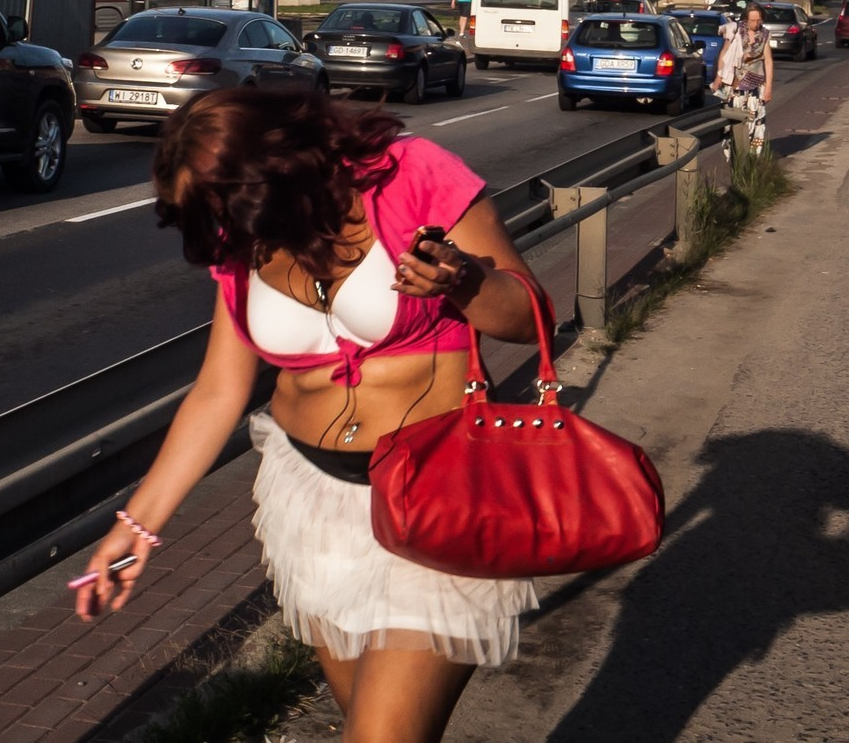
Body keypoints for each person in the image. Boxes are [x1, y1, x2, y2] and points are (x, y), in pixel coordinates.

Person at [74, 88, 544, 743]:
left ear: (283, 165)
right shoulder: (239, 237)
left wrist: (464, 284)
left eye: (232, 209)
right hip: (313, 510)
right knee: (368, 726)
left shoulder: (411, 174)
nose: (228, 233)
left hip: (442, 499)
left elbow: (530, 315)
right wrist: (137, 525)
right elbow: (217, 391)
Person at [729, 3, 775, 149]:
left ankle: (753, 158)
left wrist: (768, 87)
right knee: (736, 122)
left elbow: (768, 60)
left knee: (756, 122)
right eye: (752, 20)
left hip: (757, 86)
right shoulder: (736, 32)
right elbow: (726, 56)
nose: (756, 24)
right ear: (745, 19)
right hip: (736, 85)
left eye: (759, 20)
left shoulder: (765, 34)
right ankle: (737, 154)